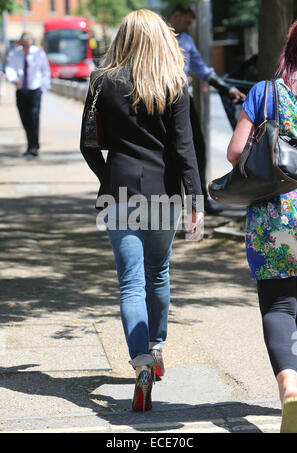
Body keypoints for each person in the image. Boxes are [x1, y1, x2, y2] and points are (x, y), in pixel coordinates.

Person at [80, 9, 202, 412]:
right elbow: (185, 150)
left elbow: (88, 144)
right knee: (159, 273)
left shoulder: (101, 82)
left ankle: (141, 365)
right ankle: (158, 347)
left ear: (124, 38)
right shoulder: (174, 84)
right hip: (164, 193)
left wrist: (105, 176)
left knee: (130, 282)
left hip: (119, 193)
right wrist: (195, 199)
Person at [227, 18, 297, 433]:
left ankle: (289, 387)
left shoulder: (265, 93)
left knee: (279, 306)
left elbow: (236, 151)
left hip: (279, 218)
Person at [168, 5, 245, 214]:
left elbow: (202, 70)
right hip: (158, 100)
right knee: (166, 153)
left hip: (182, 99)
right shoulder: (157, 37)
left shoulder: (186, 41)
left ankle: (200, 203)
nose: (187, 27)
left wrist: (227, 89)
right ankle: (169, 204)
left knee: (196, 150)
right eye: (186, 22)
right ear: (176, 16)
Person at [6, 32, 51, 157]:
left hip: (35, 89)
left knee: (34, 117)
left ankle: (33, 146)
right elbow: (10, 68)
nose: (26, 48)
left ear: (31, 43)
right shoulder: (15, 53)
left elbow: (45, 71)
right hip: (21, 90)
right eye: (24, 45)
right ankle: (30, 143)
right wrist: (13, 78)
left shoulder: (39, 53)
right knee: (24, 118)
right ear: (21, 43)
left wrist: (44, 88)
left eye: (28, 45)